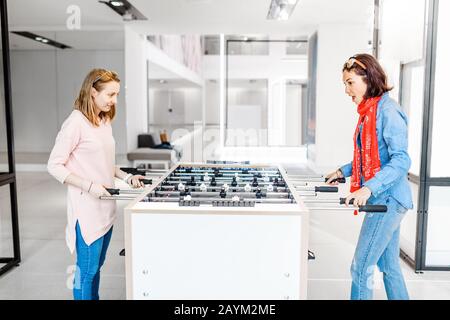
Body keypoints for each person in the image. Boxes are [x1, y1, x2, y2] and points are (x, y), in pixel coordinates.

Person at [47, 68, 145, 300]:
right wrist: (90, 186)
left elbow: (103, 163)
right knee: (86, 272)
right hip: (87, 210)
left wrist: (126, 176)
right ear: (92, 92)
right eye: (110, 94)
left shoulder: (102, 121)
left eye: (117, 95)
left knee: (96, 267)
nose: (114, 101)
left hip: (106, 208)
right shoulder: (75, 123)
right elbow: (54, 165)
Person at [325, 54, 413, 300]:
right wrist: (344, 171)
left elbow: (401, 160)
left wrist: (367, 188)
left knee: (361, 267)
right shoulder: (370, 111)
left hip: (388, 200)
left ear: (368, 78)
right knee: (390, 267)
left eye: (350, 82)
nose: (346, 90)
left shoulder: (387, 111)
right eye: (344, 84)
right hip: (385, 198)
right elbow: (372, 157)